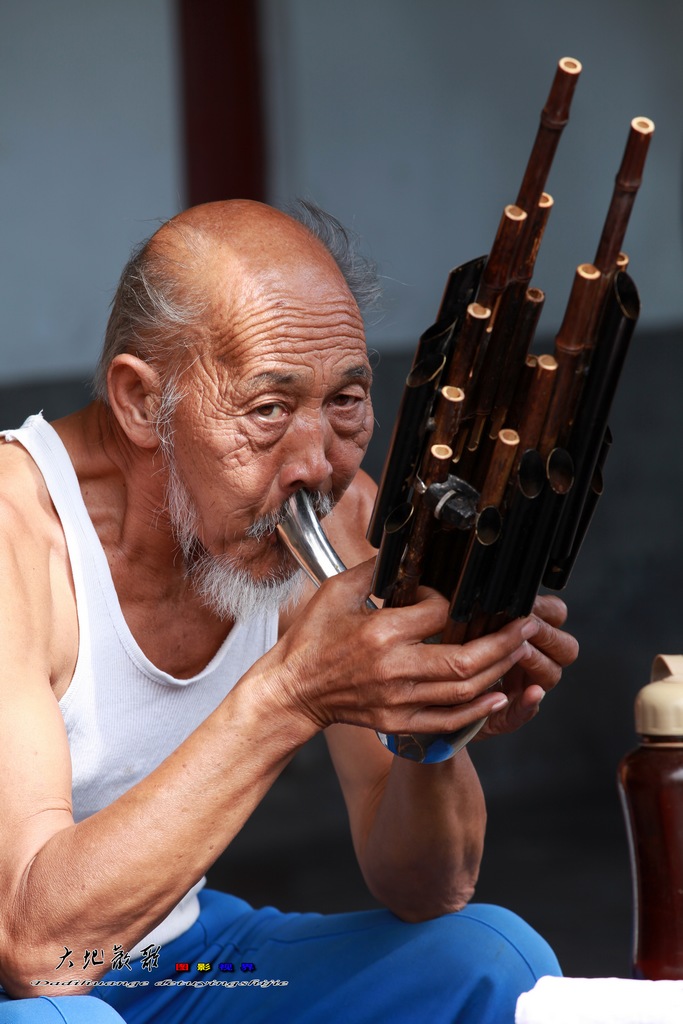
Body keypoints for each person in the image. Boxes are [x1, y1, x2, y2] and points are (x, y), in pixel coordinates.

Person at [0, 199, 578, 1023]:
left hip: (187, 965)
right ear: (138, 403)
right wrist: (290, 694)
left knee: (492, 962)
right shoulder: (16, 534)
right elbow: (38, 951)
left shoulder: (337, 523)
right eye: (267, 410)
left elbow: (426, 884)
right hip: (39, 975)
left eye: (345, 401)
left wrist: (437, 718)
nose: (317, 464)